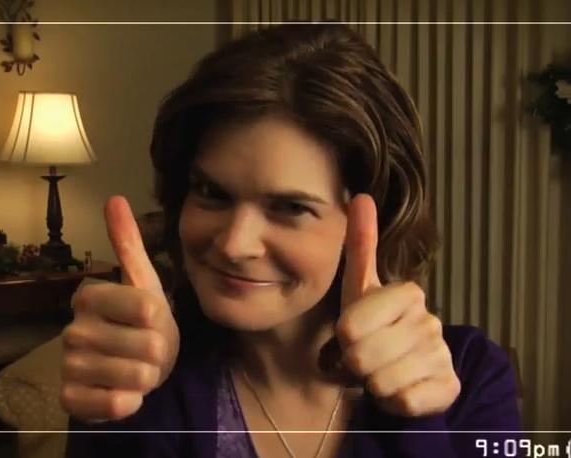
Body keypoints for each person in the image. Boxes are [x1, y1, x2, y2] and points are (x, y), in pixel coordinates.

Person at [61, 23, 521, 457]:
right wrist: (122, 413)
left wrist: (413, 421)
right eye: (211, 193)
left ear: (374, 221)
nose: (234, 245)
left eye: (290, 207)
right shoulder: (140, 374)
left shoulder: (472, 375)